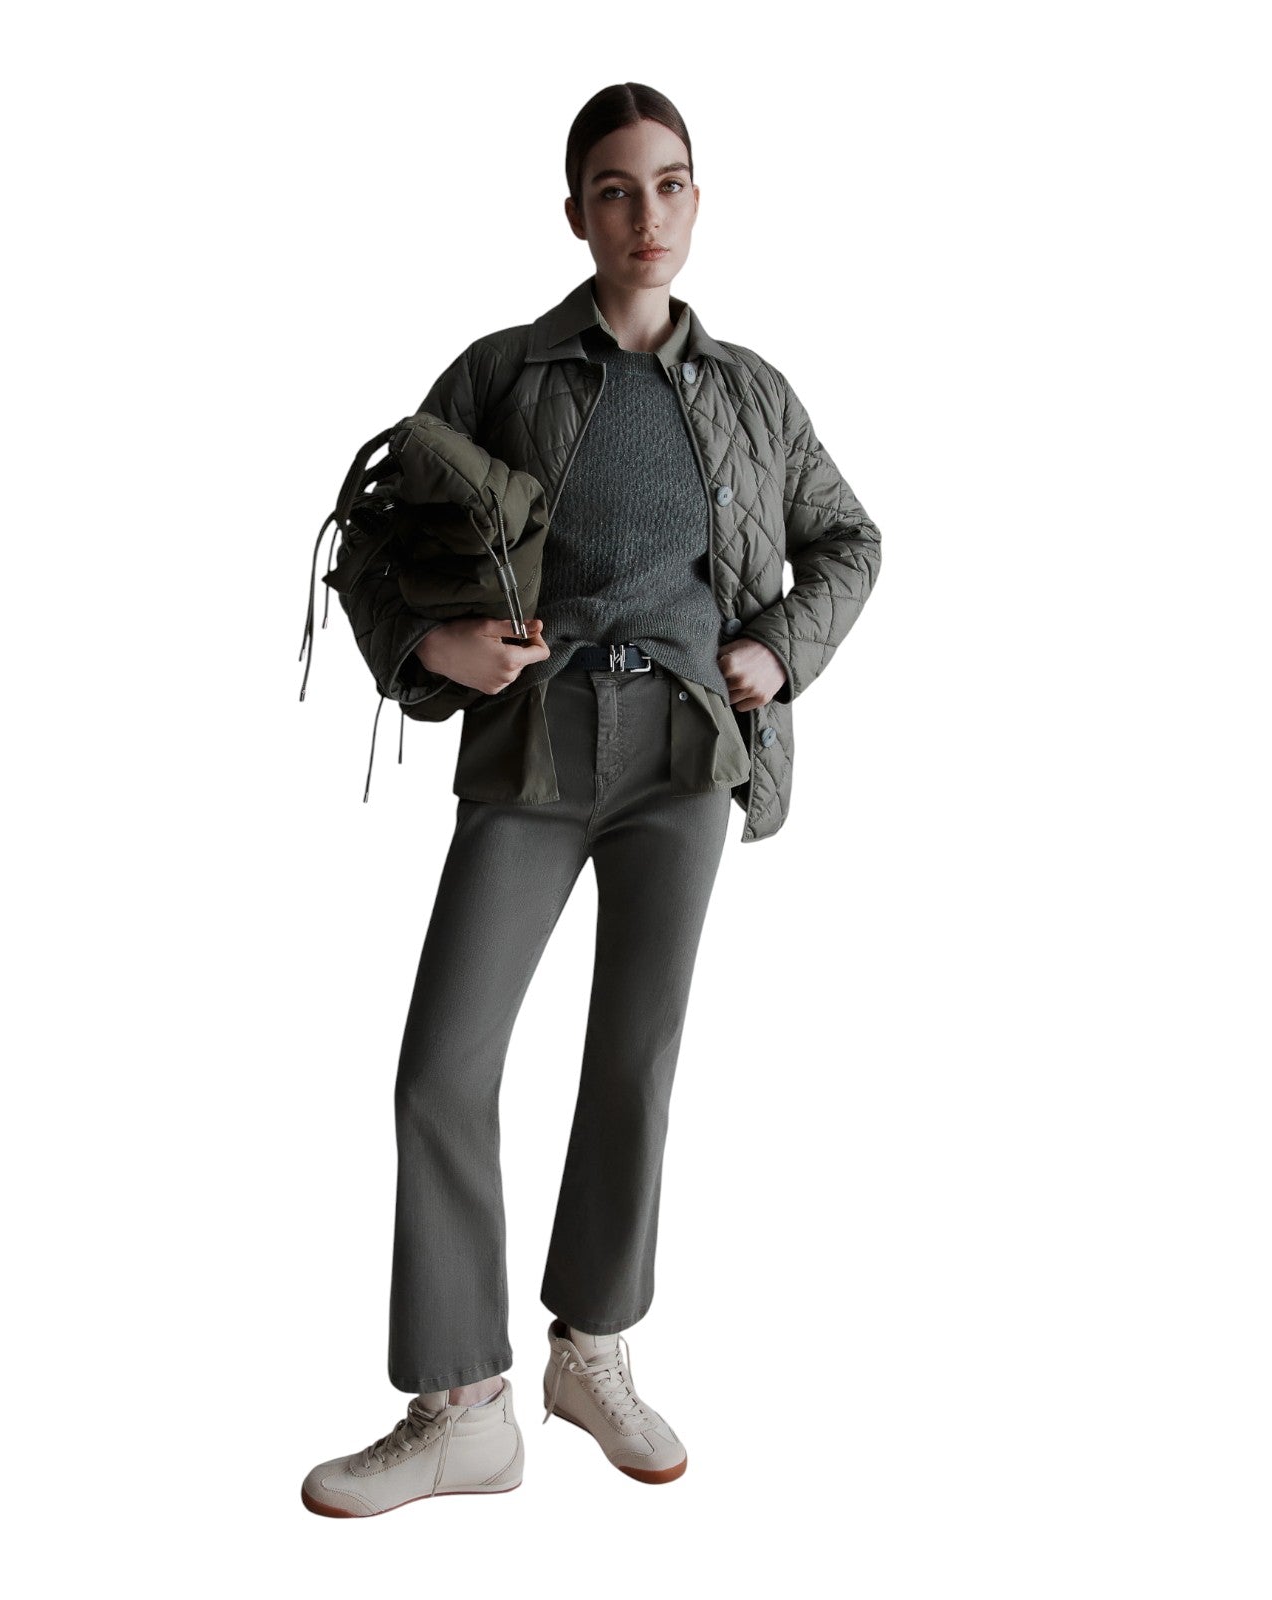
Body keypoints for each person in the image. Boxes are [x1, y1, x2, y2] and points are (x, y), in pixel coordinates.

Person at [302, 82, 882, 1518]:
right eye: (616, 190)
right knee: (442, 1069)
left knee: (635, 1060)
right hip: (537, 749)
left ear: (699, 200)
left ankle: (594, 1352)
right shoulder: (503, 371)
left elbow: (849, 541)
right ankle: (462, 1408)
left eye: (670, 185)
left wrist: (775, 649)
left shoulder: (752, 394)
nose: (646, 215)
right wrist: (431, 646)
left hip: (686, 756)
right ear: (575, 211)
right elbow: (368, 543)